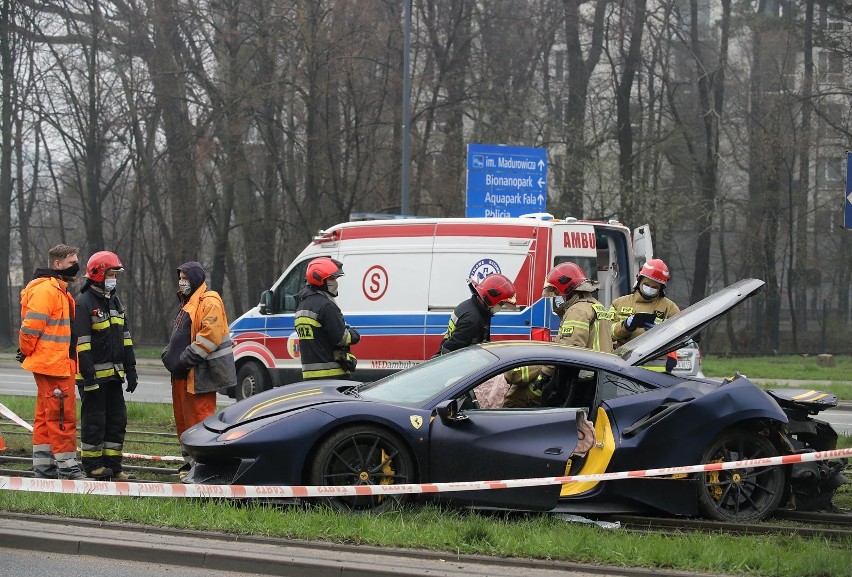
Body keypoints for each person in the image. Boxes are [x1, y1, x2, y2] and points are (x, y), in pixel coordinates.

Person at [18, 244, 87, 479]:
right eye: (72, 263)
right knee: (61, 415)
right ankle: (67, 468)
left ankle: (44, 468)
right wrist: (26, 350)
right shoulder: (47, 290)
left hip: (57, 362)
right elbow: (30, 327)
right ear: (57, 264)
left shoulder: (57, 290)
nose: (76, 267)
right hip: (53, 364)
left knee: (46, 416)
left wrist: (28, 352)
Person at [161, 261, 236, 476]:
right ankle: (191, 463)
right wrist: (169, 355)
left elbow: (209, 337)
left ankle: (205, 466)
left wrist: (183, 360)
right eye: (180, 278)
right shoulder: (188, 301)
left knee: (200, 420)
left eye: (185, 278)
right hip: (183, 374)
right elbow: (180, 335)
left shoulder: (209, 301)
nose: (181, 282)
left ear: (194, 278)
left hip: (200, 374)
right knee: (183, 420)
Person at [506, 262, 613, 408]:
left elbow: (568, 353)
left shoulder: (577, 311)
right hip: (598, 378)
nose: (555, 297)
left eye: (556, 292)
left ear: (567, 289)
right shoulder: (596, 306)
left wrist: (544, 375)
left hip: (583, 380)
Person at [74, 251, 138, 481]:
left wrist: (131, 370)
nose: (115, 278)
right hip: (93, 378)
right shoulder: (83, 303)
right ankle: (93, 466)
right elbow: (81, 345)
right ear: (98, 273)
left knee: (117, 419)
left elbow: (126, 338)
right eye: (112, 273)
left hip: (114, 376)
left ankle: (113, 465)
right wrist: (89, 378)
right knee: (94, 421)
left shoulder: (114, 301)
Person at [295, 257, 361, 380]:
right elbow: (341, 338)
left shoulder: (301, 304)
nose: (335, 282)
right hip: (332, 375)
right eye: (331, 278)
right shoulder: (326, 306)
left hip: (309, 376)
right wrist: (354, 335)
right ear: (319, 279)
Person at [611, 258, 680, 372]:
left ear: (661, 288)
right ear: (639, 281)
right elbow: (608, 333)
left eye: (655, 287)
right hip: (624, 364)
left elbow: (679, 336)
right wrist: (625, 325)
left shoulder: (670, 308)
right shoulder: (619, 303)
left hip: (656, 371)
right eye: (647, 284)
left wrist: (658, 332)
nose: (650, 289)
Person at [435, 273, 517, 355]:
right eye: (501, 304)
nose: (500, 307)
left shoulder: (476, 309)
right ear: (491, 299)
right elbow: (450, 350)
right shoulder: (472, 319)